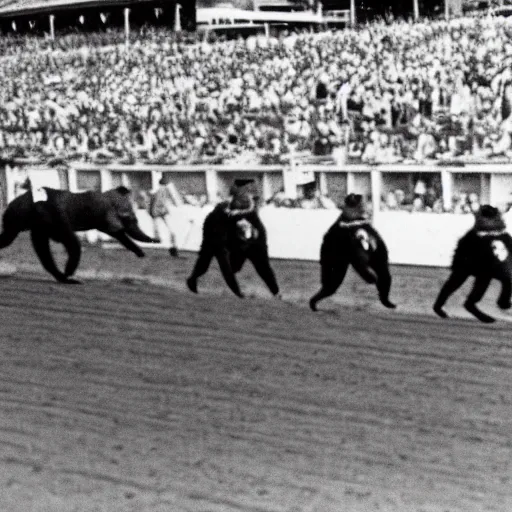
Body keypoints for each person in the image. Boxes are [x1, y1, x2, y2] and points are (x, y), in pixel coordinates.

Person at [150, 176, 179, 257]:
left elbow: (153, 203)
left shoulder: (156, 191)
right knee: (171, 230)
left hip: (156, 212)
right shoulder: (165, 190)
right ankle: (173, 247)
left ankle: (171, 247)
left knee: (160, 231)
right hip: (162, 212)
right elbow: (163, 202)